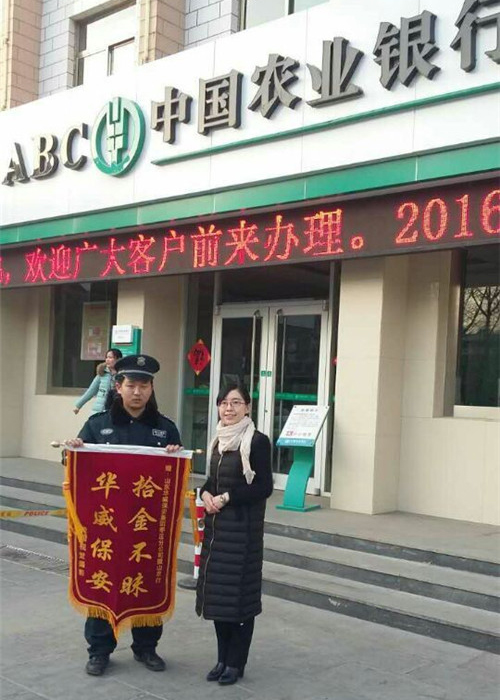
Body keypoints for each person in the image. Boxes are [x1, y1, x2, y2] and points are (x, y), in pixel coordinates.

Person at [65, 354, 182, 677]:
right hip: (106, 526)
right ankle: (99, 650)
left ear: (151, 388)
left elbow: (176, 477)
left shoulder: (164, 429)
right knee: (104, 582)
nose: (137, 392)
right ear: (118, 387)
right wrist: (75, 450)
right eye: (131, 385)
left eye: (144, 385)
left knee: (147, 581)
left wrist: (174, 457)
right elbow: (74, 469)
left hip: (145, 528)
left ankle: (146, 647)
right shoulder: (97, 425)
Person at [195, 383, 273, 686]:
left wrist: (227, 498)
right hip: (217, 534)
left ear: (248, 408)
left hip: (243, 534)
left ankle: (235, 663)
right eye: (224, 403)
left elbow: (263, 486)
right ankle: (221, 659)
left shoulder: (257, 441)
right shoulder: (219, 440)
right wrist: (205, 494)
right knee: (219, 601)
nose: (229, 408)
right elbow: (212, 481)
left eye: (236, 402)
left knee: (239, 602)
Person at [73, 348, 123, 416]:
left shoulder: (123, 375)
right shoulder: (102, 373)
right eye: (106, 357)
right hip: (99, 410)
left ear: (118, 359)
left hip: (115, 411)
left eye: (110, 357)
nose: (107, 360)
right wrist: (78, 405)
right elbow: (91, 391)